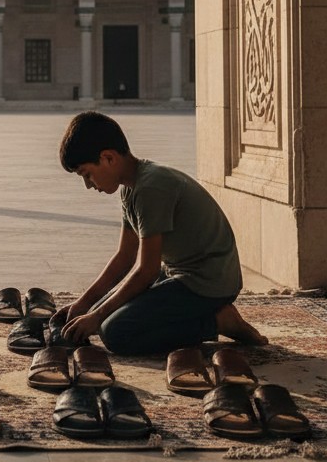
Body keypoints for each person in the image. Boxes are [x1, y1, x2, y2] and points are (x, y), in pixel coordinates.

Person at [53, 110, 266, 354]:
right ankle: (207, 316)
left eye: (87, 174)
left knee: (115, 332)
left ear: (108, 158)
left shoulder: (150, 188)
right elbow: (125, 256)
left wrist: (97, 315)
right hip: (180, 274)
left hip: (209, 282)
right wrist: (84, 304)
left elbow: (146, 271)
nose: (89, 185)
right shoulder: (131, 188)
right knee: (97, 316)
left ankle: (218, 322)